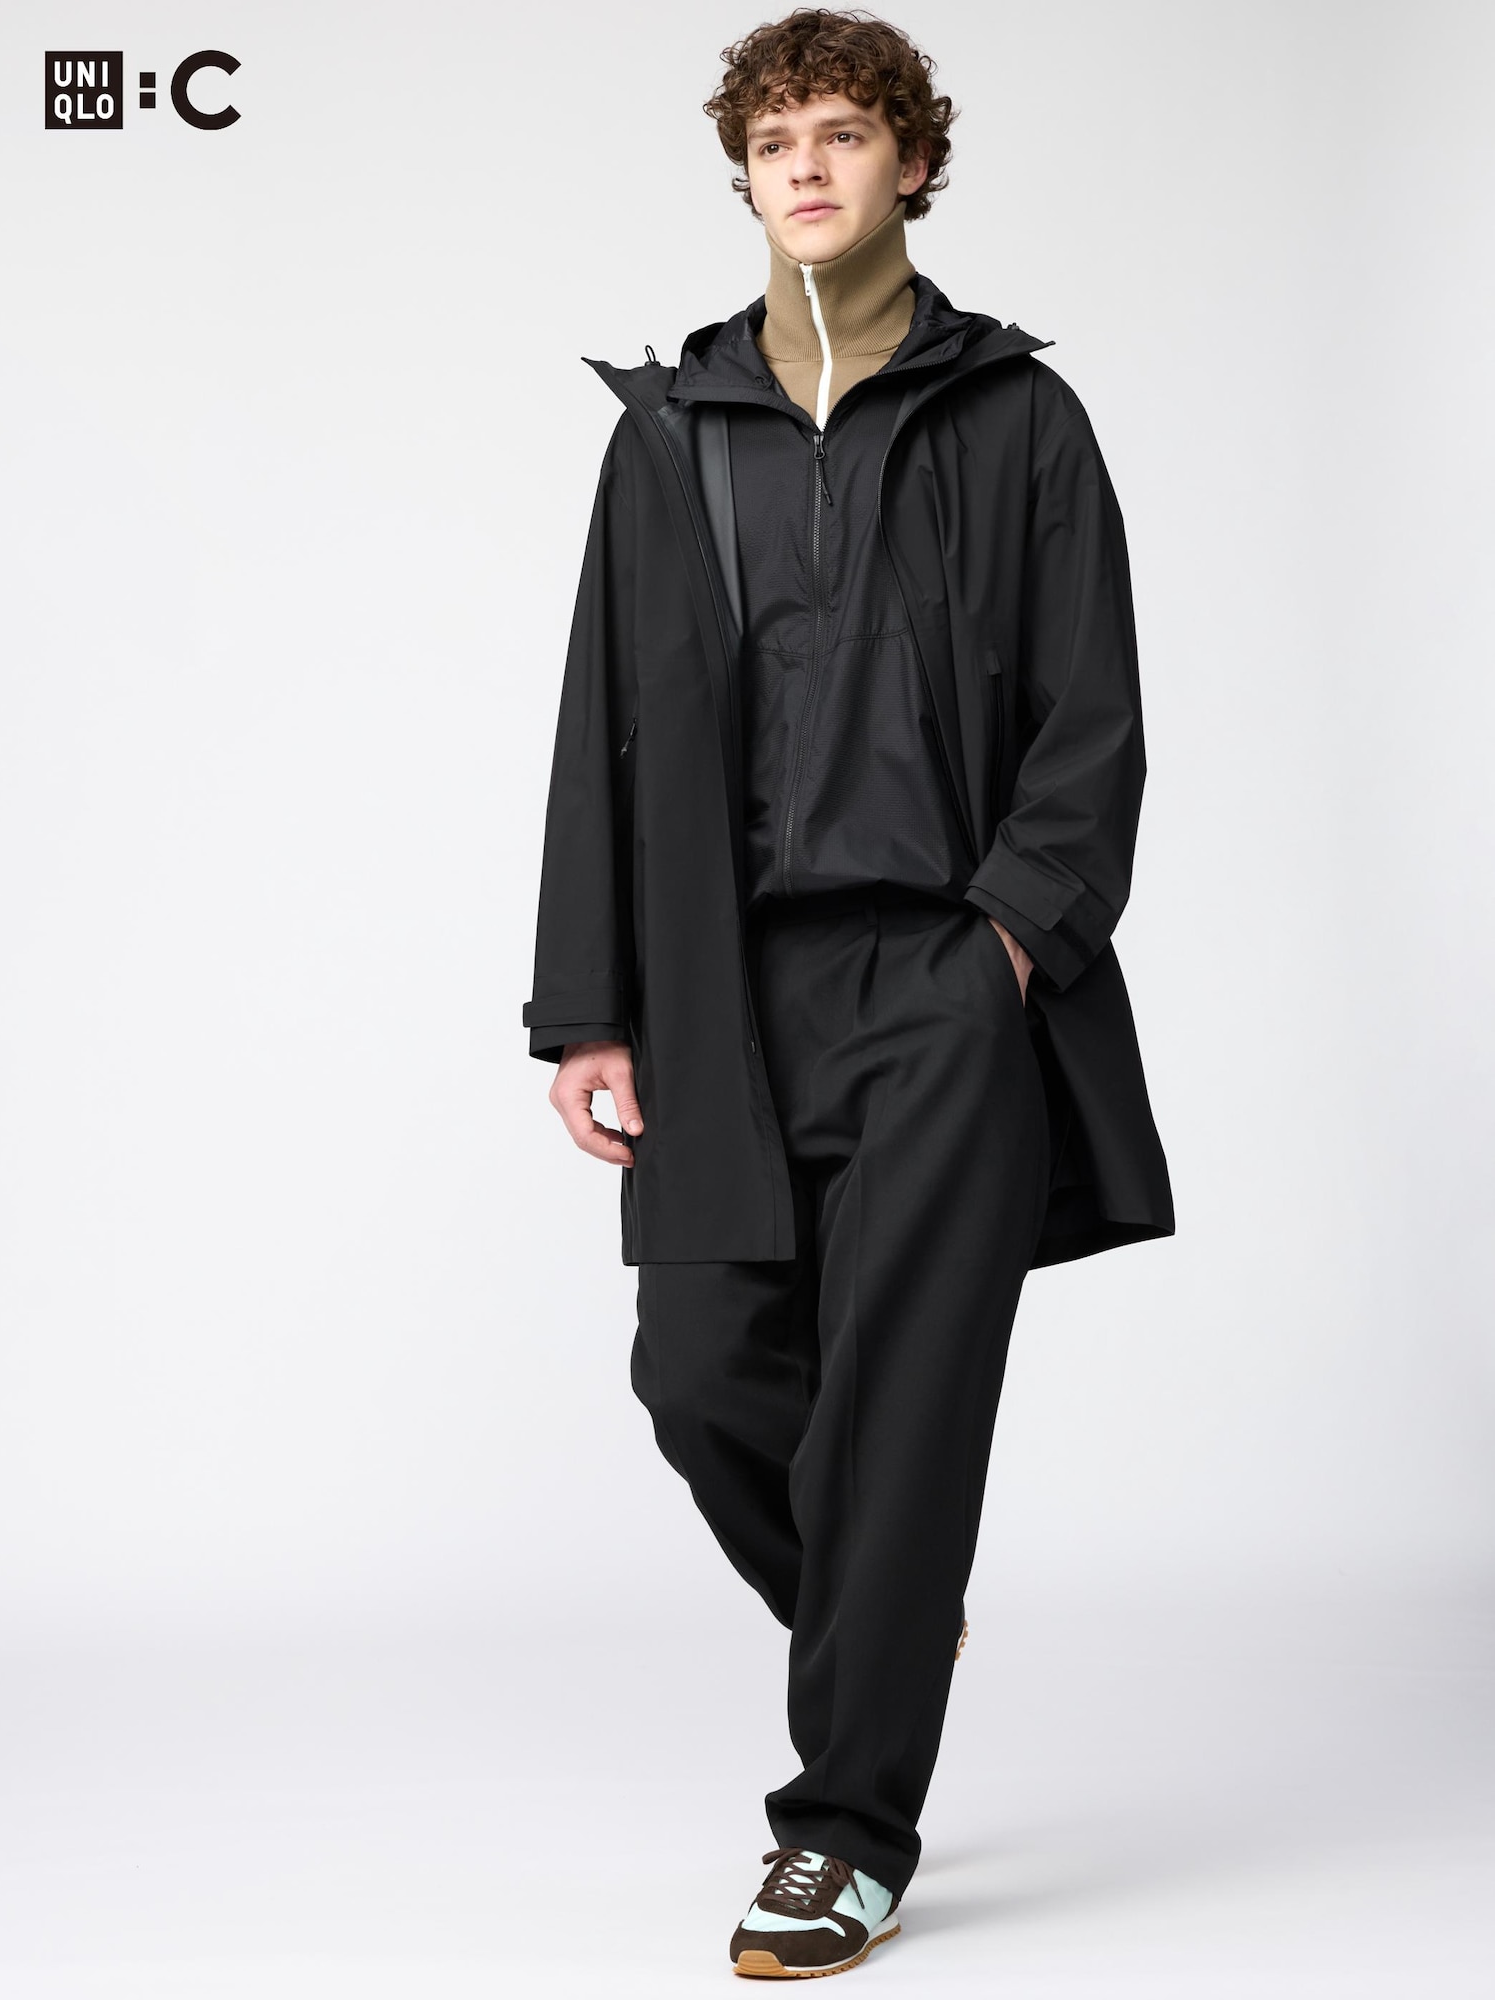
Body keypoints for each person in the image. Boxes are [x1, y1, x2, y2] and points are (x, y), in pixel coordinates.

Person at [521, 7, 1174, 1978]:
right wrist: (588, 1007)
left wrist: (1005, 945)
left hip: (944, 981)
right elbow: (605, 730)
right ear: (746, 176)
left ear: (914, 163)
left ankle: (844, 1832)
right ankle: (882, 1614)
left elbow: (1092, 719)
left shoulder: (1019, 421)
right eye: (775, 140)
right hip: (723, 988)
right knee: (702, 1372)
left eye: (844, 133)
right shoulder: (672, 434)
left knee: (899, 1403)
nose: (806, 165)